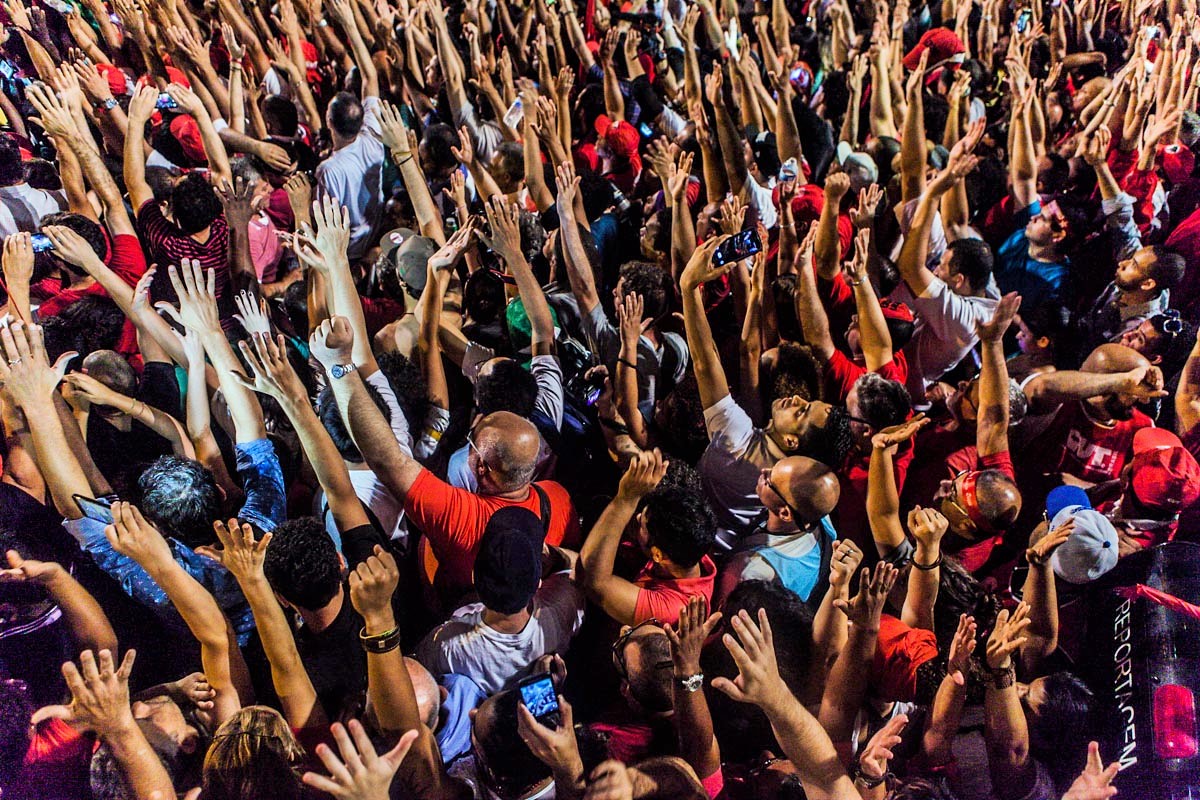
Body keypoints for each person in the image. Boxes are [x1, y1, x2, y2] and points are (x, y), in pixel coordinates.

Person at [415, 507, 585, 695]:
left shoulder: (446, 645)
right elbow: (579, 566)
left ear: (474, 576)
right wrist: (548, 551)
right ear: (538, 583)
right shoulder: (562, 610)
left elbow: (417, 673)